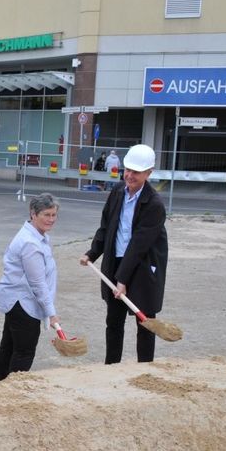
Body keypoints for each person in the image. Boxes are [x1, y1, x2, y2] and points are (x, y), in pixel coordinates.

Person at [79, 144, 168, 364]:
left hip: (143, 266)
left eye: (136, 172)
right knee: (114, 320)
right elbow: (106, 227)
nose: (129, 175)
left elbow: (139, 245)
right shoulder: (117, 192)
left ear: (149, 173)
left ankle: (144, 368)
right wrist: (92, 253)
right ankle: (112, 366)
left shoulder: (154, 204)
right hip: (115, 262)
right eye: (127, 169)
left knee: (144, 320)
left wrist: (123, 279)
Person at [0, 193, 61, 381]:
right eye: (46, 215)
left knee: (8, 345)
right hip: (23, 304)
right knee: (24, 351)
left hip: (17, 301)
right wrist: (51, 313)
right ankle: (13, 390)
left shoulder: (38, 236)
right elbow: (38, 284)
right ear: (33, 214)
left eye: (54, 215)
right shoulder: (30, 243)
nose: (51, 219)